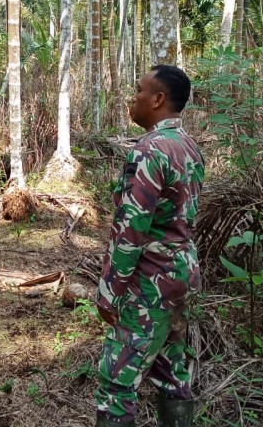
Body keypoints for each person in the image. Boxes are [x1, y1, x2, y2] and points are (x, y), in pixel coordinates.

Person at [95, 65, 205, 427]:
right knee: (171, 366)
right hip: (182, 273)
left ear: (158, 99)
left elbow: (131, 230)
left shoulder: (149, 150)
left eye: (139, 90)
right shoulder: (189, 147)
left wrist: (110, 289)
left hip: (150, 281)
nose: (133, 97)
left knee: (117, 380)